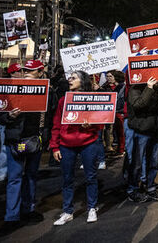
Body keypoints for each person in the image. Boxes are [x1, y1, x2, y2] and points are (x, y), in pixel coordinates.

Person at [0, 60, 46, 238]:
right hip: (15, 141)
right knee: (14, 179)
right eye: (24, 70)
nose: (26, 73)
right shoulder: (9, 90)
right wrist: (9, 115)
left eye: (30, 70)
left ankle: (28, 209)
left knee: (31, 177)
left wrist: (45, 138)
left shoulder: (47, 92)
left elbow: (51, 116)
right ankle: (11, 217)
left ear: (40, 72)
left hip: (34, 142)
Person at [50, 70, 103, 225]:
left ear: (82, 81)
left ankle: (92, 208)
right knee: (67, 179)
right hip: (66, 145)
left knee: (91, 177)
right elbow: (56, 124)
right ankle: (67, 211)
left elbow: (100, 123)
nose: (69, 80)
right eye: (69, 77)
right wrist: (55, 146)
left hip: (88, 143)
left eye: (73, 78)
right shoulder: (62, 101)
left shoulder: (92, 99)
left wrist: (91, 125)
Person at [126, 76, 158, 203]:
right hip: (140, 131)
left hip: (153, 130)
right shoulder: (135, 89)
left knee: (153, 162)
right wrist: (149, 88)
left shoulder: (156, 87)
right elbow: (139, 105)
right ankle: (133, 189)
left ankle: (150, 186)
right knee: (136, 163)